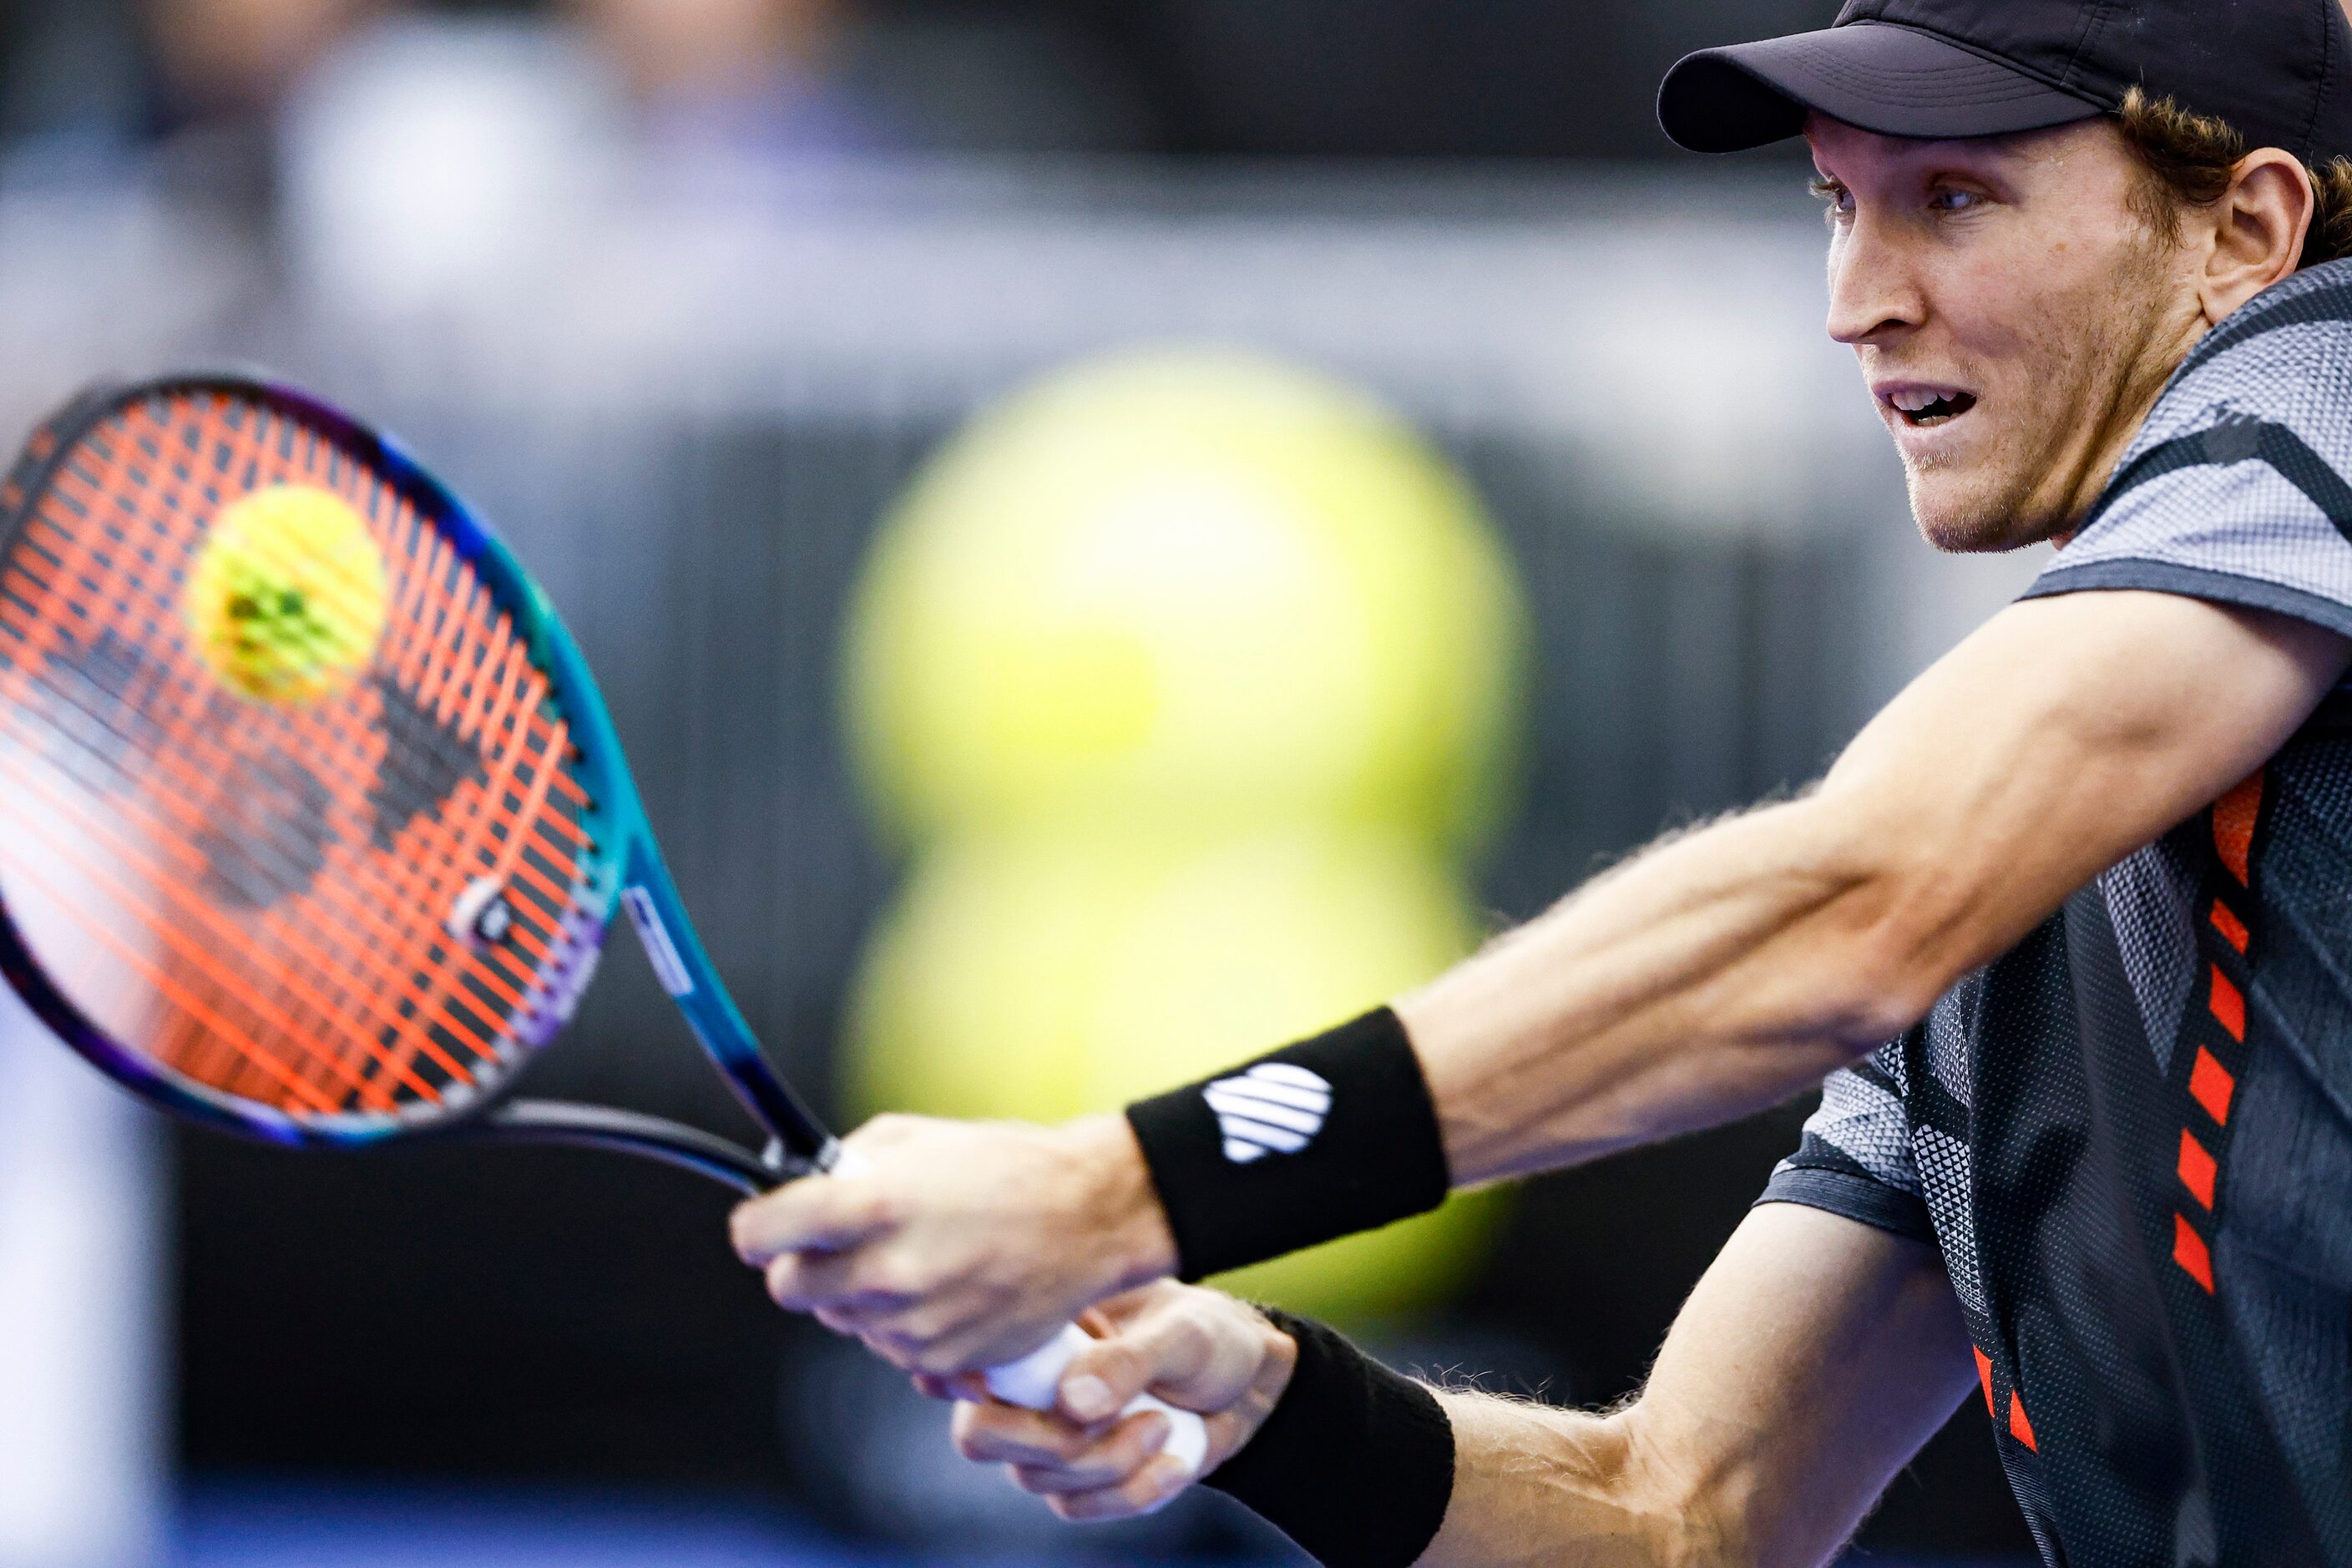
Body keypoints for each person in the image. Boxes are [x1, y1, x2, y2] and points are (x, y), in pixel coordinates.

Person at [732, 0, 2352, 1560]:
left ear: (2243, 229)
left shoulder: (2324, 407)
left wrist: (1112, 1188)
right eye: (1835, 205)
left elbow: (1853, 906)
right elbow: (1683, 1518)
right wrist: (1262, 1400)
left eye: (1949, 199)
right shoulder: (2006, 914)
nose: (1857, 297)